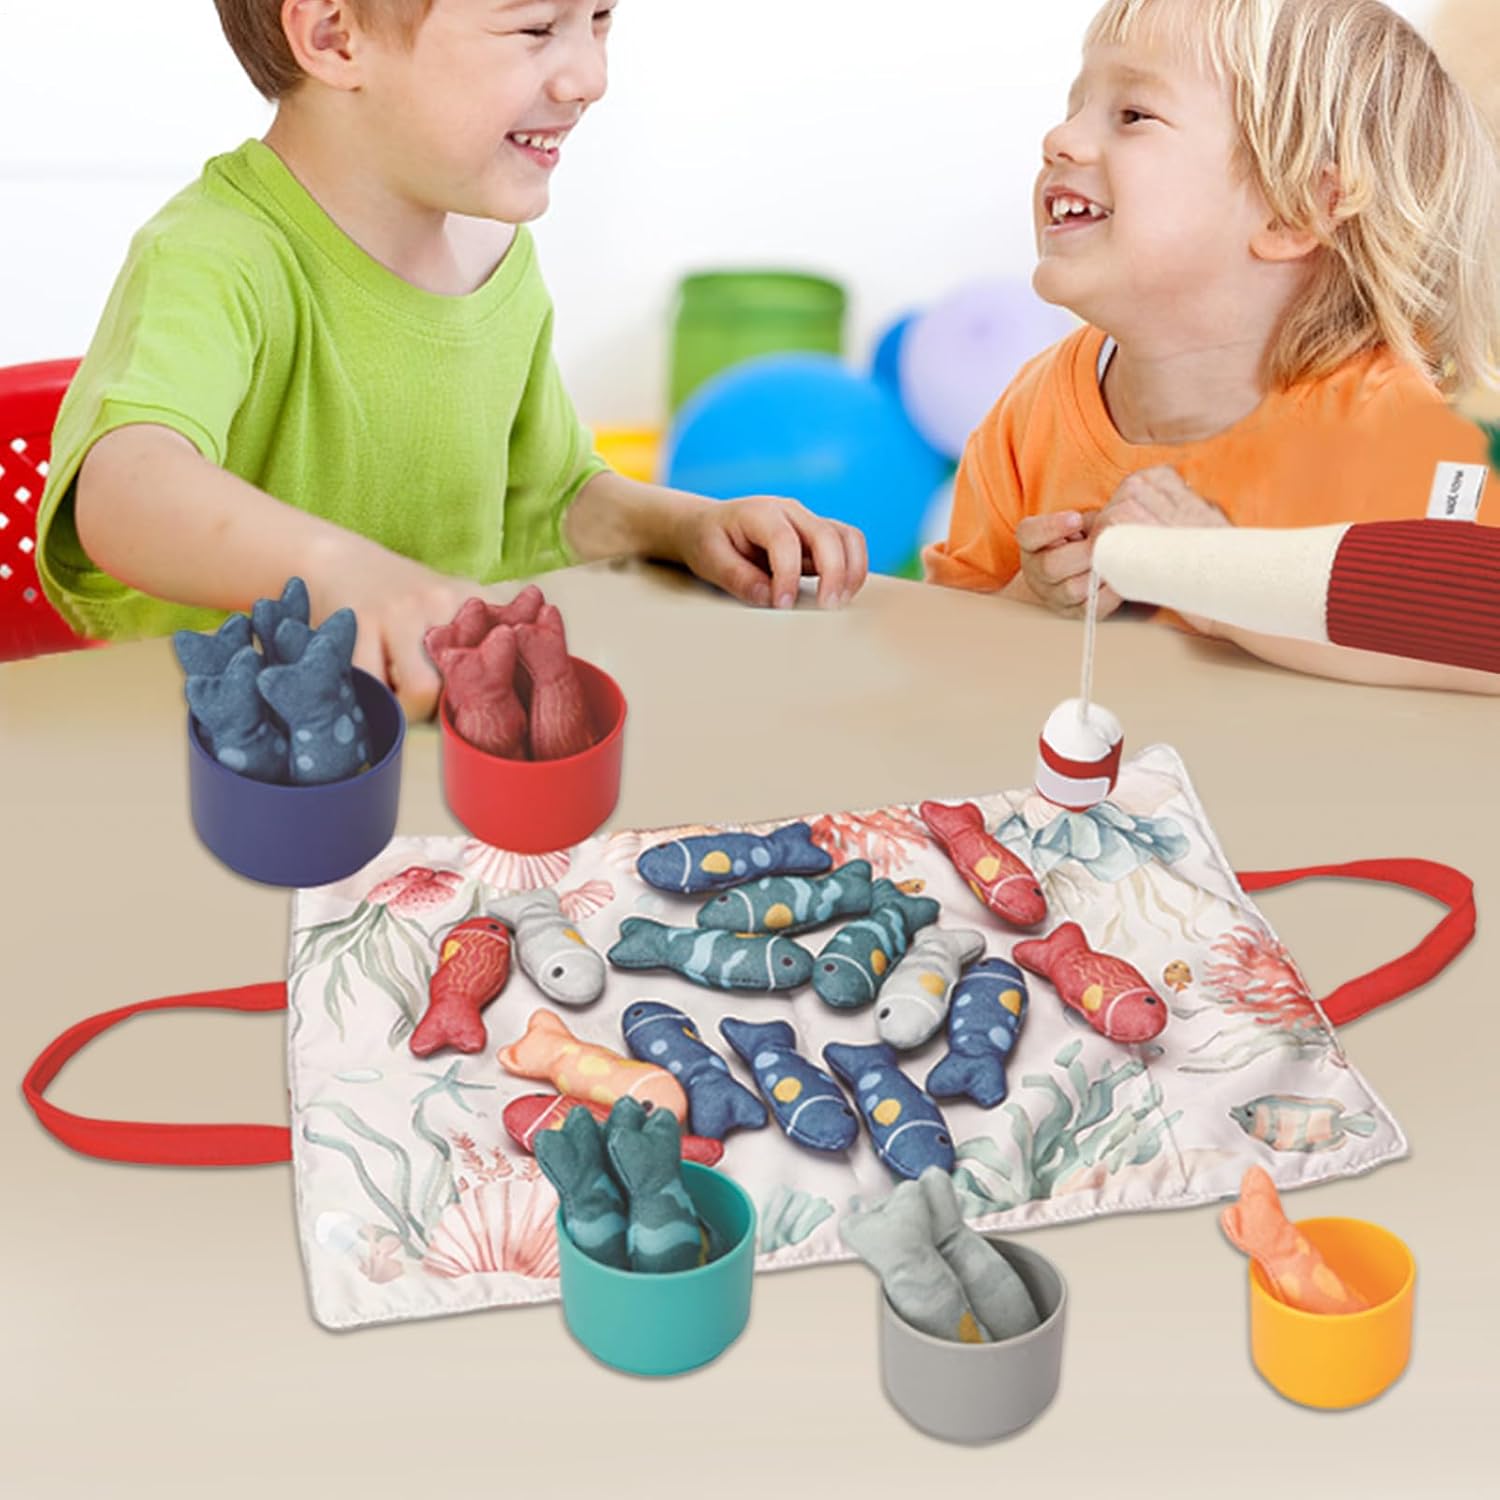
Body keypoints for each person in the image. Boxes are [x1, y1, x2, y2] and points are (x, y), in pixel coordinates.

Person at [33, 0, 868, 718]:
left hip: (430, 754)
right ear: (333, 36)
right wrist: (341, 573)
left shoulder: (497, 255)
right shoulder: (215, 256)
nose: (591, 77)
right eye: (536, 27)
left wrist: (685, 526)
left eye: (600, 18)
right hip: (216, 765)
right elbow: (124, 495)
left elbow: (549, 502)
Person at [925, 0, 1500, 693]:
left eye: (1133, 115)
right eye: (1075, 106)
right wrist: (1031, 600)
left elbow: (1478, 638)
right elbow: (950, 665)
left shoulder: (1395, 428)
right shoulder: (1030, 413)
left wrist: (1213, 576)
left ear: (1294, 212)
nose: (1059, 138)